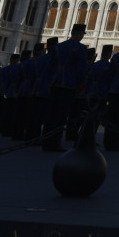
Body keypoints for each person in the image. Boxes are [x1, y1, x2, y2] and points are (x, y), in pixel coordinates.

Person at [44, 23, 88, 151]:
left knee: (51, 114)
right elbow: (81, 70)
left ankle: (46, 141)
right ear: (79, 34)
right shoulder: (80, 48)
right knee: (61, 116)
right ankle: (55, 143)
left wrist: (49, 82)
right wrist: (81, 86)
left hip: (55, 83)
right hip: (69, 85)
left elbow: (50, 67)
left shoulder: (58, 47)